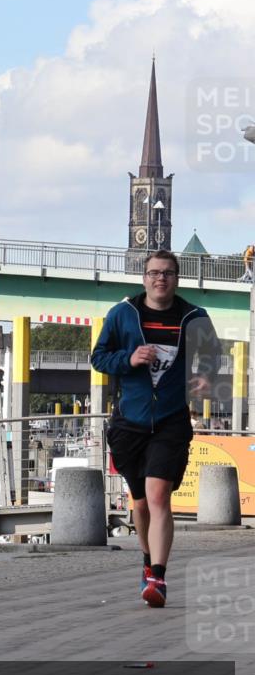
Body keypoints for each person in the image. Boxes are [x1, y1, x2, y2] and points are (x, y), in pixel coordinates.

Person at [91, 250, 219, 609]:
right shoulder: (122, 314)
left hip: (171, 420)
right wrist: (128, 359)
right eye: (154, 273)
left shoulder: (195, 316)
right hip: (129, 422)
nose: (160, 279)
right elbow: (99, 357)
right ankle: (147, 562)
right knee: (141, 502)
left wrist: (206, 376)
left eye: (167, 273)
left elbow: (213, 353)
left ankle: (159, 578)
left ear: (177, 278)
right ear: (144, 278)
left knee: (160, 496)